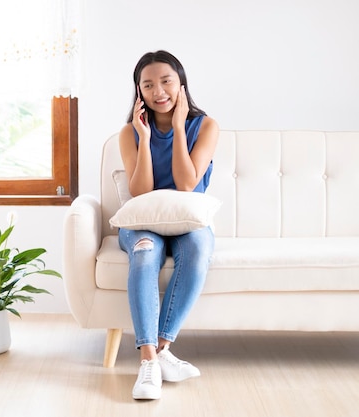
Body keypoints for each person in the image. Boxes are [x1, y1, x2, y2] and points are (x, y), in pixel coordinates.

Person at [118, 50, 219, 400]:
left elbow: (187, 183)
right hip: (143, 223)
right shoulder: (128, 134)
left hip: (188, 222)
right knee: (145, 256)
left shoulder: (204, 126)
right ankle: (149, 363)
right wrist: (145, 139)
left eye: (166, 82)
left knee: (199, 250)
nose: (158, 91)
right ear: (139, 92)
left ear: (181, 85)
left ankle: (160, 350)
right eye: (147, 85)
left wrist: (177, 127)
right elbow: (140, 192)